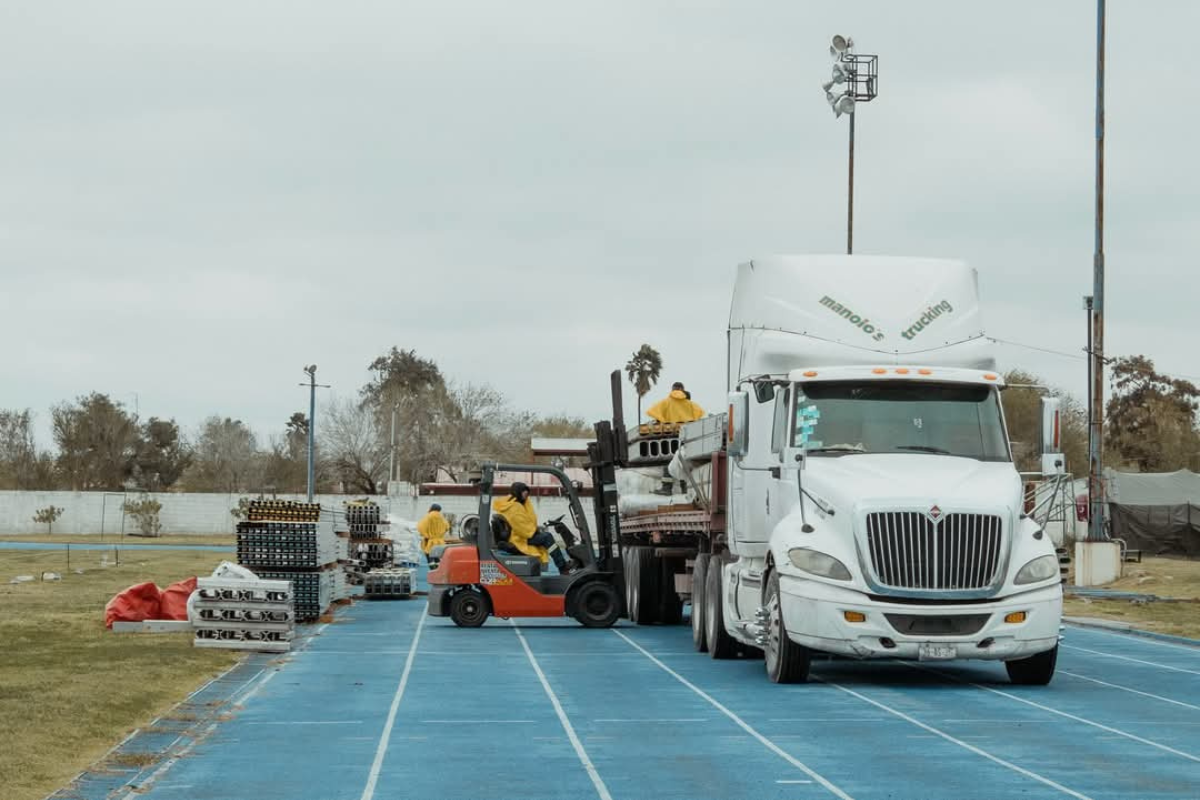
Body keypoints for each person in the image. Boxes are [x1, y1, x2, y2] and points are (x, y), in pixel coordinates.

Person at [492, 482, 573, 574]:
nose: (526, 494)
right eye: (524, 491)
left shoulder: (515, 503)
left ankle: (562, 565)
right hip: (519, 538)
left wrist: (536, 530)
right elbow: (522, 527)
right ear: (517, 492)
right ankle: (562, 566)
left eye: (527, 491)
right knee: (547, 537)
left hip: (521, 535)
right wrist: (535, 531)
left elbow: (526, 522)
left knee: (545, 536)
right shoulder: (514, 507)